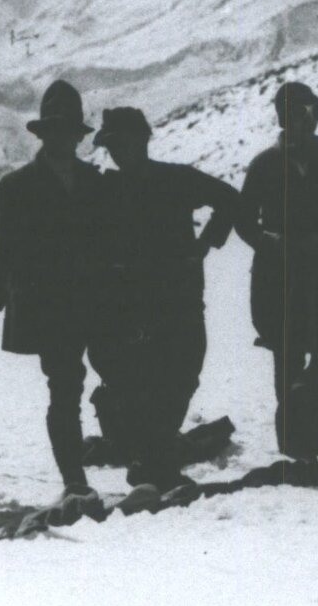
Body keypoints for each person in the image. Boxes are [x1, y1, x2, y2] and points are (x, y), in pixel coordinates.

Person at [91, 106, 240, 492]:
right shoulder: (104, 188)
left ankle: (155, 453)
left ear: (142, 140)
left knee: (182, 374)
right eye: (111, 146)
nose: (117, 152)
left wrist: (205, 244)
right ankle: (149, 458)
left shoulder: (176, 179)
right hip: (129, 305)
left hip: (179, 299)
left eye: (122, 143)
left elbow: (230, 199)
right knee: (133, 382)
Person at [0, 81, 108, 502]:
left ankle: (131, 455)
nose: (62, 137)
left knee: (116, 378)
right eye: (54, 129)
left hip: (97, 300)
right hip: (49, 302)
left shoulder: (96, 182)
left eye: (68, 129)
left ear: (78, 134)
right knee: (66, 385)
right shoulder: (16, 186)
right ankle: (74, 477)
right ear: (44, 134)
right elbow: (5, 244)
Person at [238, 82, 318, 459]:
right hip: (280, 280)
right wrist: (273, 243)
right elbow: (245, 222)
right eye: (290, 114)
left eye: (303, 114)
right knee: (288, 359)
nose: (297, 121)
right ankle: (298, 451)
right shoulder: (265, 164)